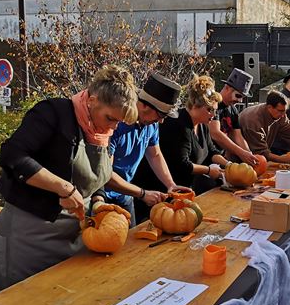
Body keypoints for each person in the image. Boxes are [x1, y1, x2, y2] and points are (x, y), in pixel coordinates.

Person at [0, 64, 138, 305]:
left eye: (118, 121)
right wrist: (61, 186)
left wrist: (99, 204)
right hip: (29, 233)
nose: (113, 127)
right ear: (91, 101)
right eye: (111, 118)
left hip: (72, 234)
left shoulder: (102, 132)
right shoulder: (53, 113)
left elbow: (98, 181)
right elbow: (13, 155)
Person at [104, 72, 191, 226]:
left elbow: (155, 154)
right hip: (102, 196)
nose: (162, 121)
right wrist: (142, 194)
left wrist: (170, 184)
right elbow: (106, 174)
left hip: (125, 194)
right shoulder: (116, 123)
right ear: (144, 104)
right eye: (160, 115)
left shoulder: (151, 123)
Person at [137, 74, 230, 195]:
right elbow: (182, 164)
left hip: (181, 187)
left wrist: (228, 165)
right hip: (157, 189)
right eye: (209, 109)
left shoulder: (203, 126)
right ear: (195, 106)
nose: (213, 114)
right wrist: (208, 170)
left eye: (215, 110)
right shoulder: (179, 125)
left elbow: (211, 151)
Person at [239, 91, 290, 163]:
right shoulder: (253, 121)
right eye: (280, 111)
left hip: (259, 159)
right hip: (240, 162)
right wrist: (285, 159)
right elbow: (261, 152)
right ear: (269, 107)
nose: (283, 115)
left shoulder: (280, 116)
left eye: (285, 111)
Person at [209, 68, 258, 166]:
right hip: (208, 157)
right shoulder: (213, 103)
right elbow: (215, 133)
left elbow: (237, 136)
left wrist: (249, 155)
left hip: (222, 158)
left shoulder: (233, 110)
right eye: (238, 96)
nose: (240, 101)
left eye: (243, 98)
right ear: (227, 88)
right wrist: (240, 152)